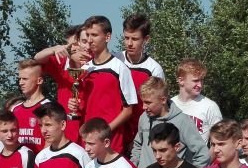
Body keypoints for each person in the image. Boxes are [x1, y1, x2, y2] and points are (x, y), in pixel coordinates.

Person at [70, 16, 138, 154]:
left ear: (107, 37)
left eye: (94, 35)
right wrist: (73, 105)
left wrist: (106, 130)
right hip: (87, 141)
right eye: (88, 35)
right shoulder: (85, 69)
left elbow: (128, 110)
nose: (90, 40)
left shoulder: (120, 68)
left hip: (111, 142)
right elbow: (82, 103)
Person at [130, 76, 209, 168]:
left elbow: (203, 154)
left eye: (148, 102)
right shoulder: (144, 117)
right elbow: (138, 145)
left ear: (163, 100)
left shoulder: (182, 121)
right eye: (143, 102)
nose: (144, 107)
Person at [116, 14, 165, 151]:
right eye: (126, 38)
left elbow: (158, 109)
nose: (129, 43)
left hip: (140, 136)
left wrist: (140, 139)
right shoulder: (115, 61)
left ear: (146, 39)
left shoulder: (154, 69)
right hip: (115, 132)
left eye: (135, 39)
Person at [35, 24, 87, 143]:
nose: (73, 48)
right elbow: (37, 58)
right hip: (67, 126)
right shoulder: (62, 62)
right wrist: (54, 49)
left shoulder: (93, 62)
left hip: (88, 125)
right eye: (69, 45)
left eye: (76, 43)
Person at [170, 59, 222, 144]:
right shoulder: (169, 104)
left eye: (201, 80)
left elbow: (220, 140)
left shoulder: (210, 106)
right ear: (181, 81)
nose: (200, 85)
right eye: (195, 81)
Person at [11, 59, 49, 153]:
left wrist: (40, 159)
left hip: (41, 159)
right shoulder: (15, 109)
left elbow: (52, 140)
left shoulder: (49, 107)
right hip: (19, 161)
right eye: (20, 79)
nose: (21, 83)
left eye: (25, 79)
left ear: (39, 80)